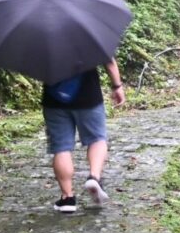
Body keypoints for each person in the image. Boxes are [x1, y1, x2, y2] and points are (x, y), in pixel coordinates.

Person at [42, 59, 126, 212]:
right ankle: (94, 177)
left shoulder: (41, 37)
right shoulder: (89, 35)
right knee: (97, 139)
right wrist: (117, 86)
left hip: (54, 97)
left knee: (61, 147)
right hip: (88, 95)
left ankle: (67, 198)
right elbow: (109, 61)